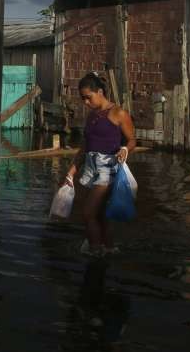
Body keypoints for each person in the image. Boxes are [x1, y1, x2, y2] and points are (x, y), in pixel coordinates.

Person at [61, 72, 136, 257]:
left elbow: (132, 139)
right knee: (100, 214)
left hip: (107, 169)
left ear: (100, 91)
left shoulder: (118, 113)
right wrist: (71, 172)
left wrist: (126, 150)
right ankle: (108, 248)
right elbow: (85, 146)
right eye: (83, 99)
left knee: (87, 213)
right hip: (91, 166)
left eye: (88, 97)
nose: (85, 102)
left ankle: (95, 251)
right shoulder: (92, 115)